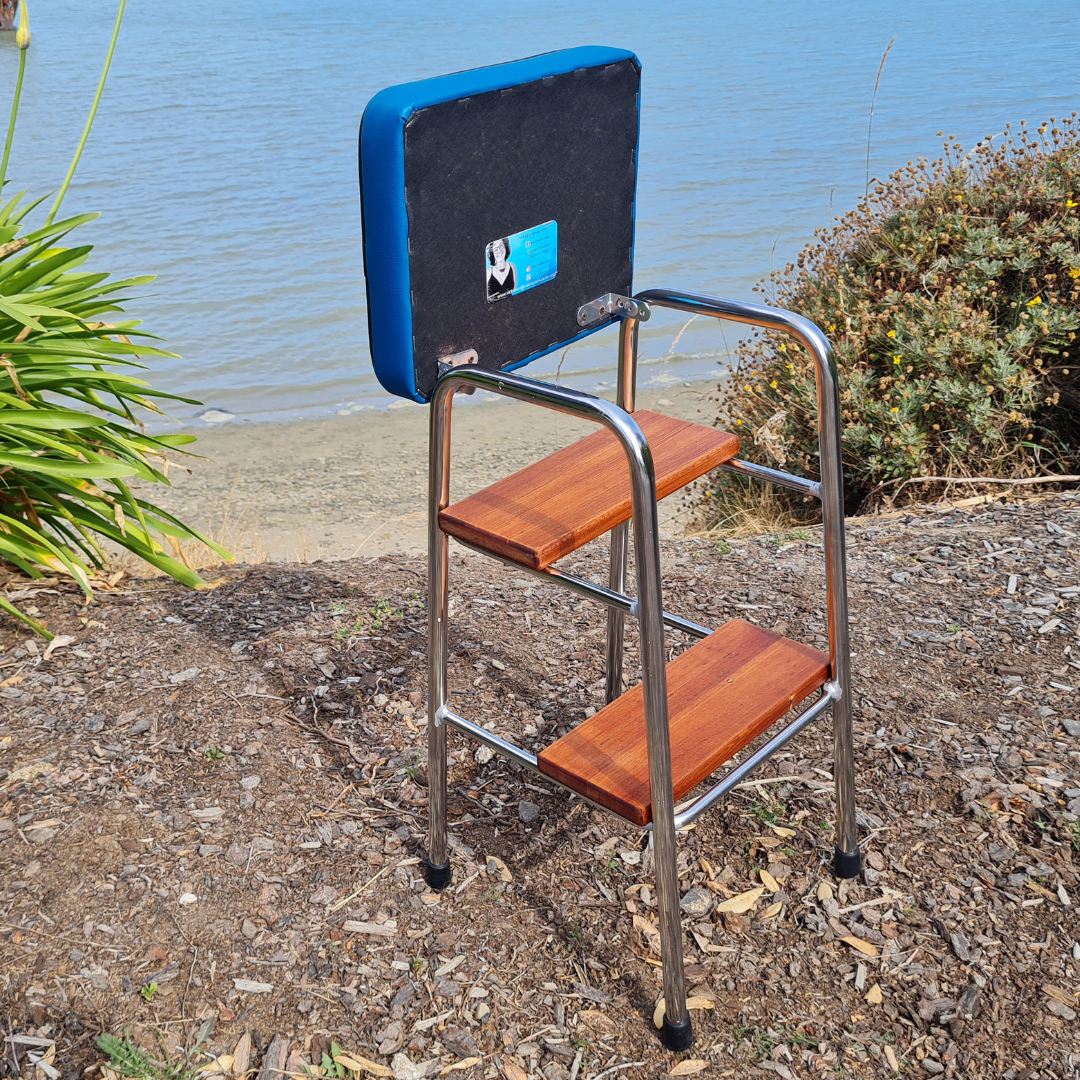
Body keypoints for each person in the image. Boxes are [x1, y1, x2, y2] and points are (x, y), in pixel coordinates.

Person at [487, 237, 516, 301]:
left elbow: (515, 289)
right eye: (495, 249)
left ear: (505, 247)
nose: (499, 251)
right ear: (492, 253)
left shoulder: (512, 267)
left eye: (501, 246)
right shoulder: (488, 273)